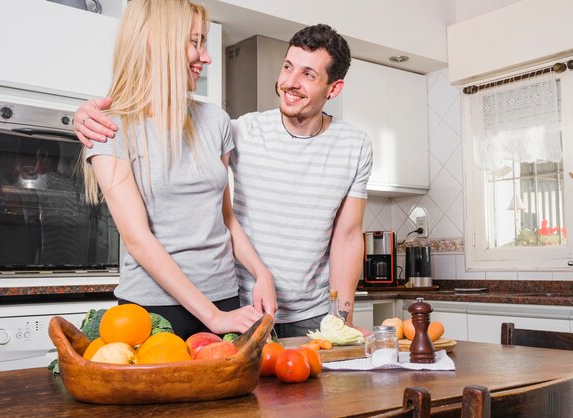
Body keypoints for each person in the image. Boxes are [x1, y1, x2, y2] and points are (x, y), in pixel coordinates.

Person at [75, 23, 372, 338]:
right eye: (288, 67)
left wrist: (342, 317)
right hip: (242, 305)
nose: (290, 83)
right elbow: (162, 127)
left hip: (312, 313)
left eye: (308, 75)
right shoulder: (239, 131)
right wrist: (85, 115)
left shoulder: (355, 145)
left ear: (333, 88)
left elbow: (348, 237)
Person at [81, 0, 275, 340]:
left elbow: (226, 218)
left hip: (225, 298)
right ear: (159, 44)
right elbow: (138, 240)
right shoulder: (111, 128)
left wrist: (261, 273)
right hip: (153, 310)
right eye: (195, 42)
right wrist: (212, 317)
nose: (207, 56)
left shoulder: (214, 120)